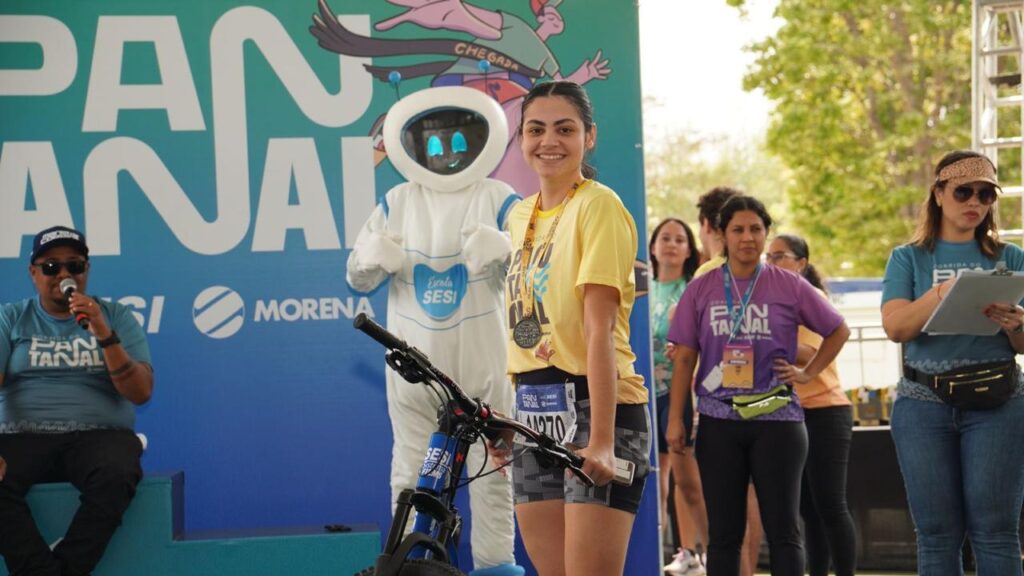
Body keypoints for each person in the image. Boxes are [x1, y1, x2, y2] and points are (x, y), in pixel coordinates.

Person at [346, 86, 523, 576]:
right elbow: (354, 272)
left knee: (492, 476)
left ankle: (495, 567)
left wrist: (506, 252)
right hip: (413, 369)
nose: (448, 153)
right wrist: (370, 259)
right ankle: (408, 567)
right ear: (417, 148)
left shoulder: (499, 197)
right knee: (411, 473)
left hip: (485, 367)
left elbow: (536, 270)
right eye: (437, 144)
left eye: (458, 142)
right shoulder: (397, 200)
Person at [487, 80, 650, 576]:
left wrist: (600, 439)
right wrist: (509, 420)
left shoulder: (598, 206)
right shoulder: (518, 216)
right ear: (521, 140)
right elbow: (523, 328)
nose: (548, 141)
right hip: (534, 409)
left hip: (600, 409)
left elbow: (598, 330)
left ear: (589, 137)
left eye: (565, 128)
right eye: (535, 129)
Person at [666, 195, 850, 576]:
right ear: (722, 236)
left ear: (766, 234)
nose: (747, 237)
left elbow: (838, 330)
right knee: (724, 536)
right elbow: (684, 357)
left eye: (756, 229)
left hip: (778, 420)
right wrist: (675, 420)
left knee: (785, 532)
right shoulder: (702, 288)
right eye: (738, 229)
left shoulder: (790, 285)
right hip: (718, 421)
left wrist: (808, 372)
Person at [881, 150, 1024, 576]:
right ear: (939, 194)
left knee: (997, 531)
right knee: (938, 534)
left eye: (985, 194)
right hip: (923, 402)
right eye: (963, 191)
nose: (975, 202)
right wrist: (944, 293)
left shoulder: (1010, 257)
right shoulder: (908, 258)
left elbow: (1021, 344)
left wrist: (1017, 324)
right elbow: (896, 328)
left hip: (999, 401)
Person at [0, 225, 154, 576]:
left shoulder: (114, 317)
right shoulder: (10, 317)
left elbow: (141, 392)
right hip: (23, 434)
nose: (64, 275)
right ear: (33, 272)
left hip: (98, 435)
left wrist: (104, 334)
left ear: (87, 270)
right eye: (51, 267)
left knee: (118, 473)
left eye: (75, 266)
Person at [766, 234, 856, 576]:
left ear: (801, 263)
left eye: (780, 256)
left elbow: (807, 352)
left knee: (830, 504)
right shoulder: (773, 301)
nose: (771, 263)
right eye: (768, 257)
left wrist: (765, 335)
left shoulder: (811, 297)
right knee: (808, 508)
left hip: (825, 410)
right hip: (788, 413)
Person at [692, 186, 763, 576]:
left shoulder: (707, 274)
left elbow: (687, 346)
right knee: (750, 500)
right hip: (764, 405)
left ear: (707, 226)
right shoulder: (765, 273)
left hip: (720, 405)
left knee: (727, 508)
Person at [649, 218, 708, 576]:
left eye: (680, 239)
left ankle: (704, 550)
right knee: (656, 481)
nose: (671, 244)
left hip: (681, 394)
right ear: (653, 246)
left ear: (689, 250)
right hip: (643, 393)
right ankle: (663, 553)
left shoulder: (694, 290)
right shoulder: (638, 289)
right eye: (665, 238)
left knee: (688, 483)